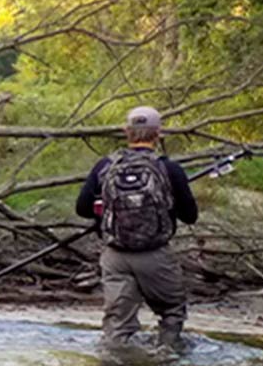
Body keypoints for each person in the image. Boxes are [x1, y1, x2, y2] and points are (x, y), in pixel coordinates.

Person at [73, 106, 200, 350]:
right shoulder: (169, 169)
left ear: (126, 131)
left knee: (118, 323)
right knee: (172, 312)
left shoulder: (104, 166)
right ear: (158, 134)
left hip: (115, 256)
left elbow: (82, 208)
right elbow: (190, 216)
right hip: (156, 255)